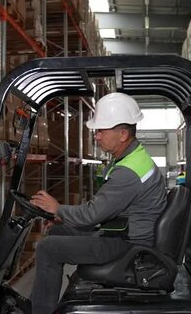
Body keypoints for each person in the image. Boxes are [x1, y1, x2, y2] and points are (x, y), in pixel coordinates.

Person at [29, 92, 168, 314]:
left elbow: (93, 214)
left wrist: (58, 208)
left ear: (122, 134)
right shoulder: (132, 159)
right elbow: (102, 210)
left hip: (130, 245)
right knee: (58, 230)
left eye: (101, 130)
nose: (96, 136)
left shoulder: (129, 171)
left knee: (48, 249)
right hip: (122, 232)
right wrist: (62, 217)